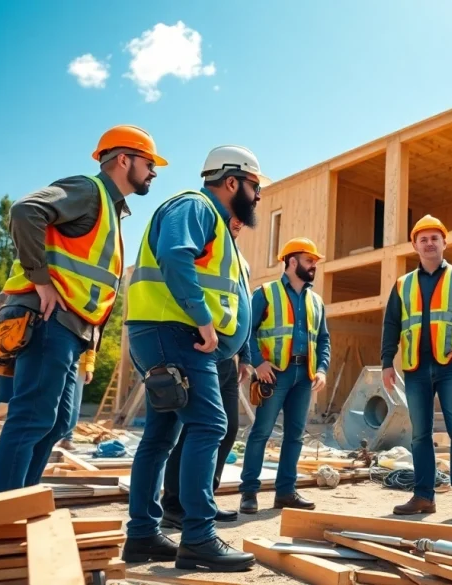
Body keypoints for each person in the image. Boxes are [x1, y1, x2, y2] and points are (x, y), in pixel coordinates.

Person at [0, 125, 164, 495]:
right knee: (32, 417)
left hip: (69, 329)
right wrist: (41, 280)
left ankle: (20, 501)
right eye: (149, 163)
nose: (153, 172)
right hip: (47, 318)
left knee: (56, 423)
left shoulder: (110, 209)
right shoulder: (88, 190)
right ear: (123, 160)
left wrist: (89, 353)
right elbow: (25, 211)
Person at [121, 145, 268, 572]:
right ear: (231, 181)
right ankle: (199, 537)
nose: (258, 196)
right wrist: (203, 319)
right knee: (210, 425)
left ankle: (143, 535)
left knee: (161, 435)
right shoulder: (195, 206)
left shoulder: (216, 224)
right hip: (177, 333)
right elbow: (174, 255)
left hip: (168, 334)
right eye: (254, 186)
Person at [381, 214, 452, 521]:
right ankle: (424, 496)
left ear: (444, 243)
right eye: (423, 239)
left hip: (450, 367)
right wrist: (387, 362)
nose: (429, 243)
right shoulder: (402, 284)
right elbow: (391, 324)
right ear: (415, 245)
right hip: (415, 368)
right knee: (420, 435)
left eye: (434, 238)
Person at [161, 217, 253, 530]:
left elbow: (242, 312)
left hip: (228, 356)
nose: (239, 223)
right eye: (234, 218)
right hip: (202, 347)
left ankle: (204, 499)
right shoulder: (204, 245)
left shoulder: (240, 261)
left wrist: (246, 356)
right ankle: (175, 504)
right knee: (197, 427)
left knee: (228, 427)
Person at [238, 237, 330, 514]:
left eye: (315, 261)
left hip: (305, 375)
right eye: (309, 260)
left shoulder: (316, 301)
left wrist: (322, 369)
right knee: (261, 432)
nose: (313, 265)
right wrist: (258, 362)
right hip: (274, 374)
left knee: (295, 435)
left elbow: (323, 339)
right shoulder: (265, 293)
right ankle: (249, 492)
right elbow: (247, 331)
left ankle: (286, 493)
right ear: (291, 261)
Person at [58, 351, 94, 450]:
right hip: (59, 358)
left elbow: (92, 347)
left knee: (74, 405)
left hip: (79, 365)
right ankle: (54, 438)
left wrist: (89, 368)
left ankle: (67, 438)